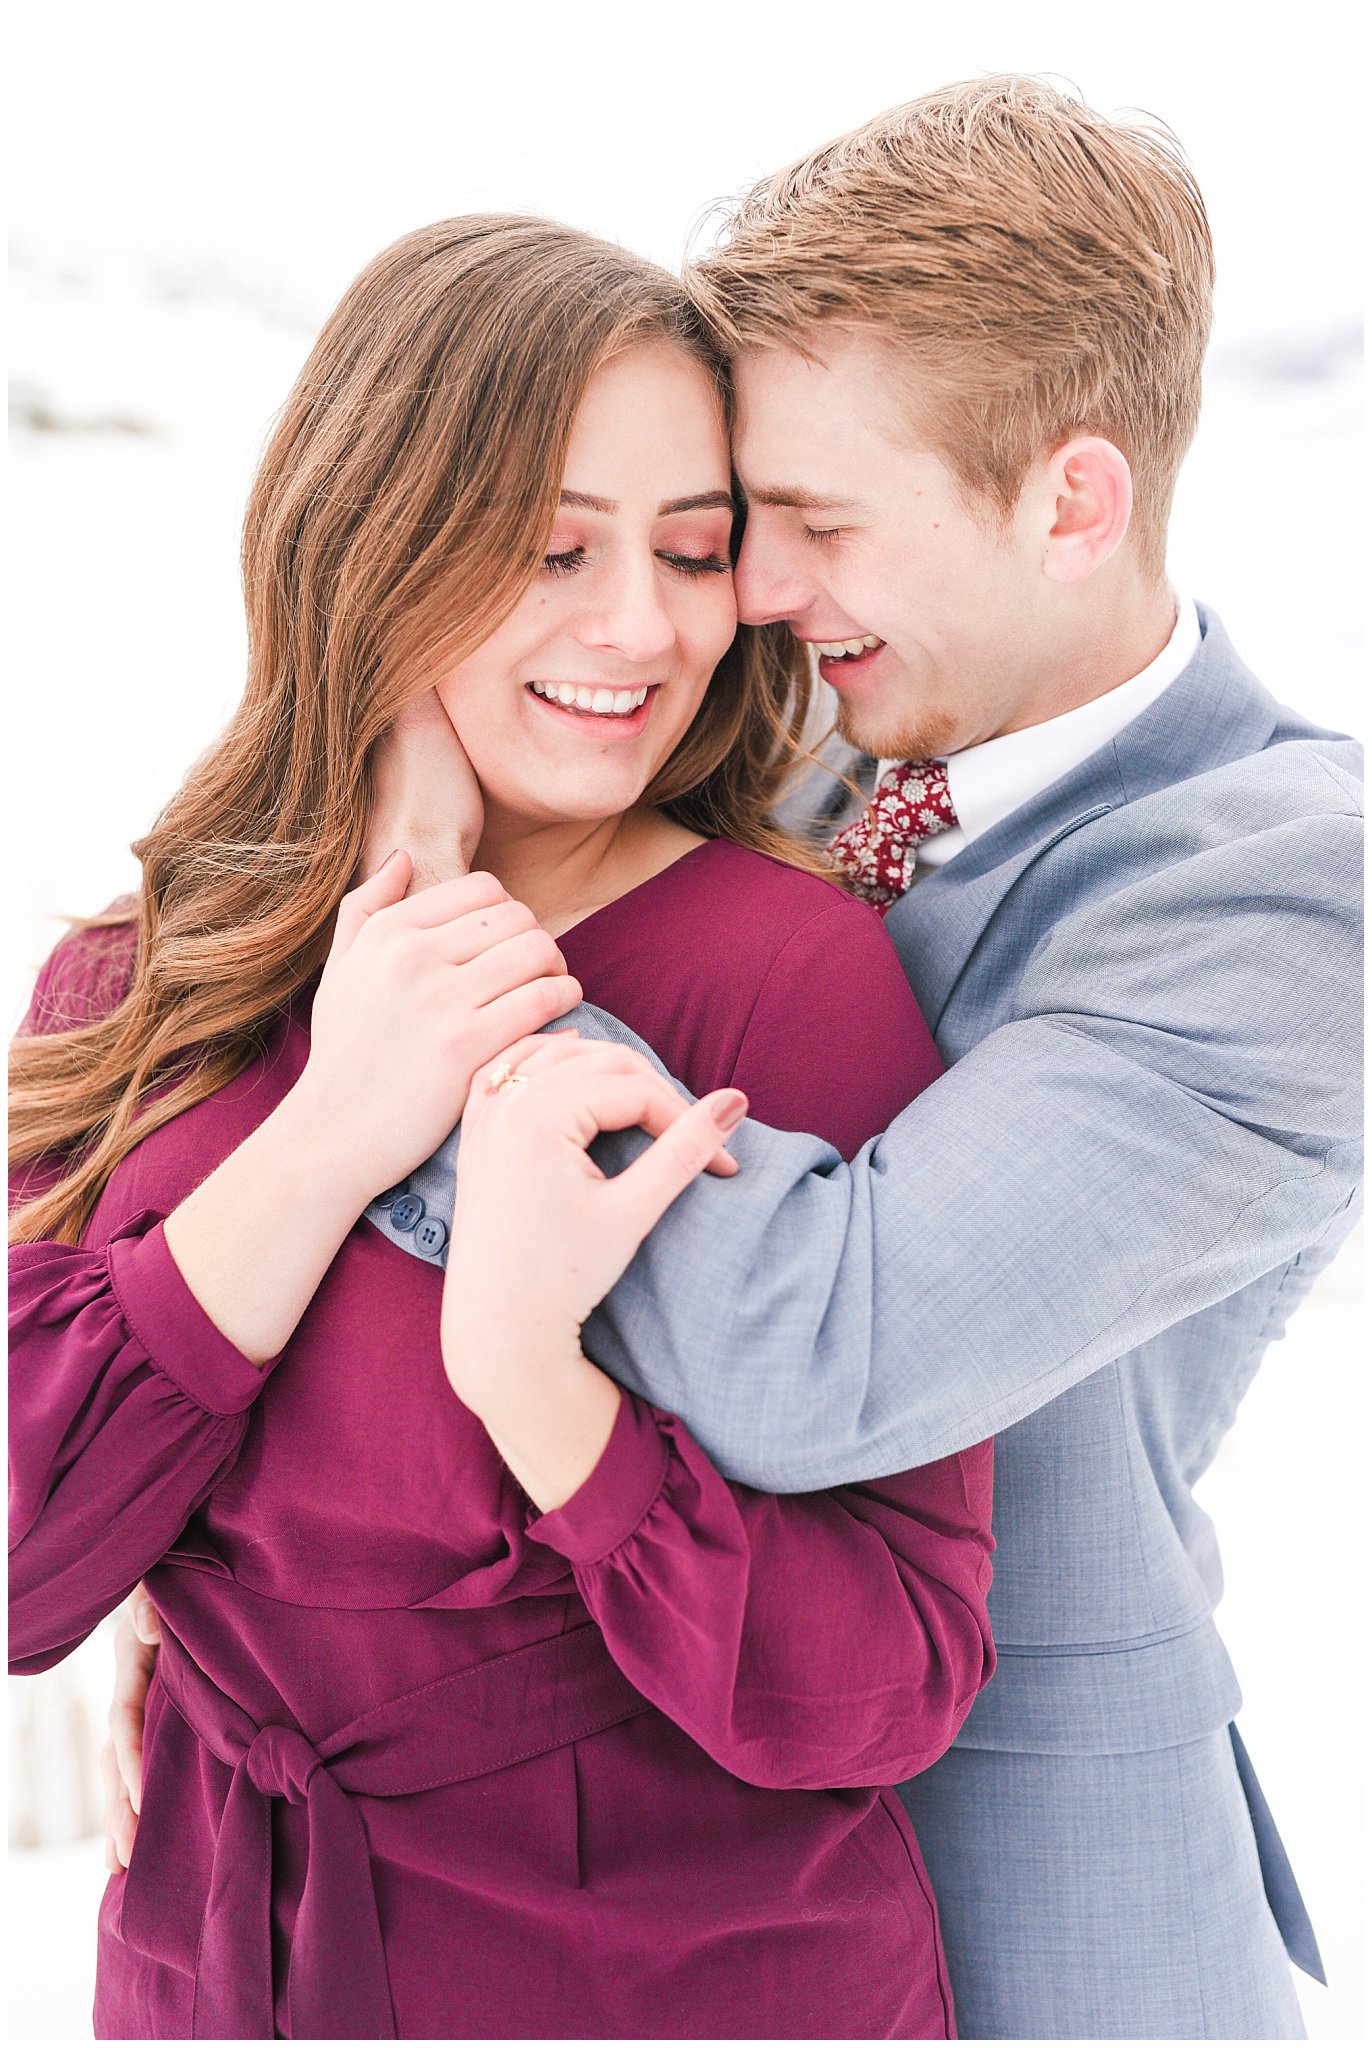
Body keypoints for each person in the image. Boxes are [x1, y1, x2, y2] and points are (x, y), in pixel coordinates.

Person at [102, 79, 1354, 2041]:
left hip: (1026, 1892)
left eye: (810, 525)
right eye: (735, 526)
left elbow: (821, 1349)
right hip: (581, 1876)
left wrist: (450, 931)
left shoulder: (1289, 890)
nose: (748, 594)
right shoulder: (803, 742)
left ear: (1070, 502)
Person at [8, 215, 997, 2039]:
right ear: (370, 540)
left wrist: (539, 1388)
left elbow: (888, 1681)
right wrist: (331, 1132)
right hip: (222, 1968)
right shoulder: (143, 983)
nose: (639, 627)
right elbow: (25, 1557)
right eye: (551, 549)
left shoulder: (786, 980)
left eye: (692, 553)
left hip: (675, 1985)